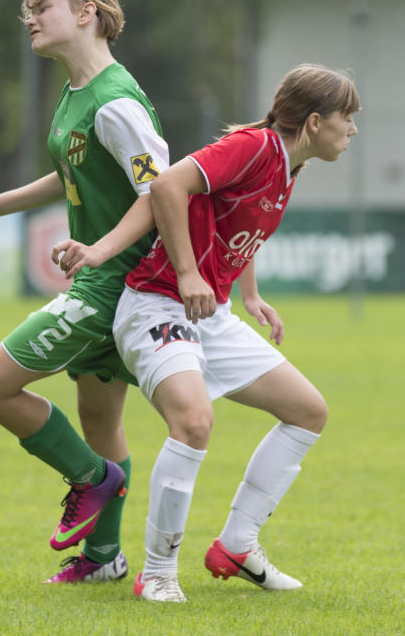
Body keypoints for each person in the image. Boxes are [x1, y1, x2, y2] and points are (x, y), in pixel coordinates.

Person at [55, 63, 359, 602]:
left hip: (207, 314)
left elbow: (238, 224)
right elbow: (167, 184)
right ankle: (157, 573)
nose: (353, 129)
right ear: (315, 121)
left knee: (308, 411)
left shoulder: (288, 165)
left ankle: (238, 546)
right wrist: (188, 271)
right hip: (156, 302)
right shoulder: (255, 146)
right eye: (347, 117)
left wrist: (250, 295)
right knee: (194, 422)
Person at [0, 0, 169, 583]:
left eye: (44, 7)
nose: (31, 18)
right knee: (100, 420)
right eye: (29, 10)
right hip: (112, 280)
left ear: (87, 13)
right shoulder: (76, 95)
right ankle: (104, 558)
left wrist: (101, 251)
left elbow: (163, 191)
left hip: (112, 284)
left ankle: (92, 478)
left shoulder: (115, 101)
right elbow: (70, 174)